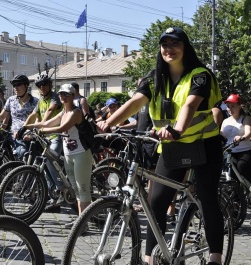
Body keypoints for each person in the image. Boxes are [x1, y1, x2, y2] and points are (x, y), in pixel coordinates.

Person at [98, 27, 224, 265]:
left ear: (185, 47)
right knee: (156, 203)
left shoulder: (199, 75)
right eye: (164, 44)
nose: (169, 49)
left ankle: (215, 257)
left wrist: (176, 129)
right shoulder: (154, 77)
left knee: (207, 198)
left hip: (204, 144)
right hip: (173, 146)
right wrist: (107, 123)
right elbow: (135, 101)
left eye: (175, 44)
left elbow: (190, 105)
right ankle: (150, 260)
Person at [24, 84, 92, 228]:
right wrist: (29, 127)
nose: (63, 97)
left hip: (81, 154)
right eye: (61, 94)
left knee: (83, 189)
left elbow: (62, 128)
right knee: (75, 189)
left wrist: (42, 131)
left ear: (73, 96)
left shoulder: (76, 112)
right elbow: (47, 122)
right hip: (68, 155)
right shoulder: (63, 113)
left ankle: (83, 223)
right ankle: (81, 221)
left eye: (66, 94)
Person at [20, 74, 63, 212]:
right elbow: (33, 115)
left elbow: (50, 111)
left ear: (50, 85)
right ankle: (54, 198)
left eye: (44, 85)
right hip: (45, 137)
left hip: (57, 135)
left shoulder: (55, 97)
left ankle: (61, 191)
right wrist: (24, 127)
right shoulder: (40, 101)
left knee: (50, 161)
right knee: (45, 167)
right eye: (39, 86)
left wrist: (40, 127)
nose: (42, 87)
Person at [0, 75, 39, 160]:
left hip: (27, 135)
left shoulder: (35, 102)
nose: (15, 87)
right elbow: (2, 116)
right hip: (12, 134)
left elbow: (37, 121)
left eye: (18, 84)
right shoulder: (11, 100)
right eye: (14, 85)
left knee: (23, 153)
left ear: (26, 85)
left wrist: (30, 134)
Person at [221, 94, 251, 182]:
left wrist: (241, 137)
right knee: (231, 177)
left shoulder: (246, 118)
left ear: (239, 106)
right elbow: (222, 136)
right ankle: (237, 195)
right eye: (228, 106)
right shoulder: (225, 121)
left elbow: (248, 133)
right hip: (229, 152)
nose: (230, 109)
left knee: (242, 166)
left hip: (245, 150)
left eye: (233, 106)